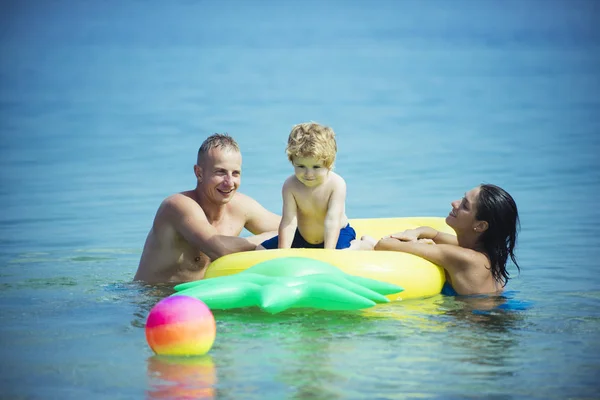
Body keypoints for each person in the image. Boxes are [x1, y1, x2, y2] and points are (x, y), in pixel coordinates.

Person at [134, 134, 280, 284]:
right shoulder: (178, 206)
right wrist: (265, 240)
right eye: (220, 172)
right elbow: (219, 248)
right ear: (199, 173)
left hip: (200, 298)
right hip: (153, 299)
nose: (229, 183)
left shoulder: (241, 206)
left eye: (235, 173)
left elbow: (295, 228)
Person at [358, 184, 520, 295]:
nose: (454, 203)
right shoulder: (482, 251)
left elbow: (384, 244)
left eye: (464, 205)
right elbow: (432, 233)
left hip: (474, 326)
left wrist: (416, 243)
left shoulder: (465, 258)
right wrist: (414, 233)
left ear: (480, 226)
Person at [259, 122, 357, 250]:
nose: (308, 174)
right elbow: (289, 221)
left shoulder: (336, 184)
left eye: (316, 167)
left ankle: (363, 244)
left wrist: (329, 253)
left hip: (338, 234)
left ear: (329, 164)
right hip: (302, 236)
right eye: (301, 166)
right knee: (261, 249)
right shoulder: (290, 185)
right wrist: (282, 253)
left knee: (345, 253)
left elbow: (332, 221)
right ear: (292, 161)